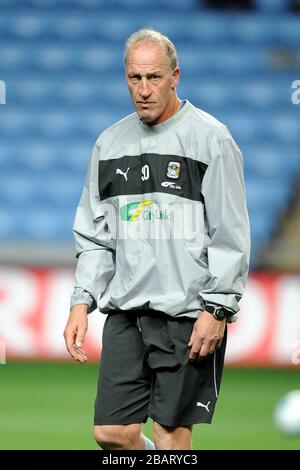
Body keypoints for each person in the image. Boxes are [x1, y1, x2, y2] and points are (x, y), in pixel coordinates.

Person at [63, 28, 250, 450]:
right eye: (135, 78)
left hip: (187, 314)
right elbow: (96, 235)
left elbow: (231, 231)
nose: (144, 90)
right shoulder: (109, 143)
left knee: (170, 438)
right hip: (127, 312)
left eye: (154, 78)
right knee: (111, 434)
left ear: (174, 76)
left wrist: (218, 308)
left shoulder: (211, 138)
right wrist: (81, 300)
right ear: (125, 78)